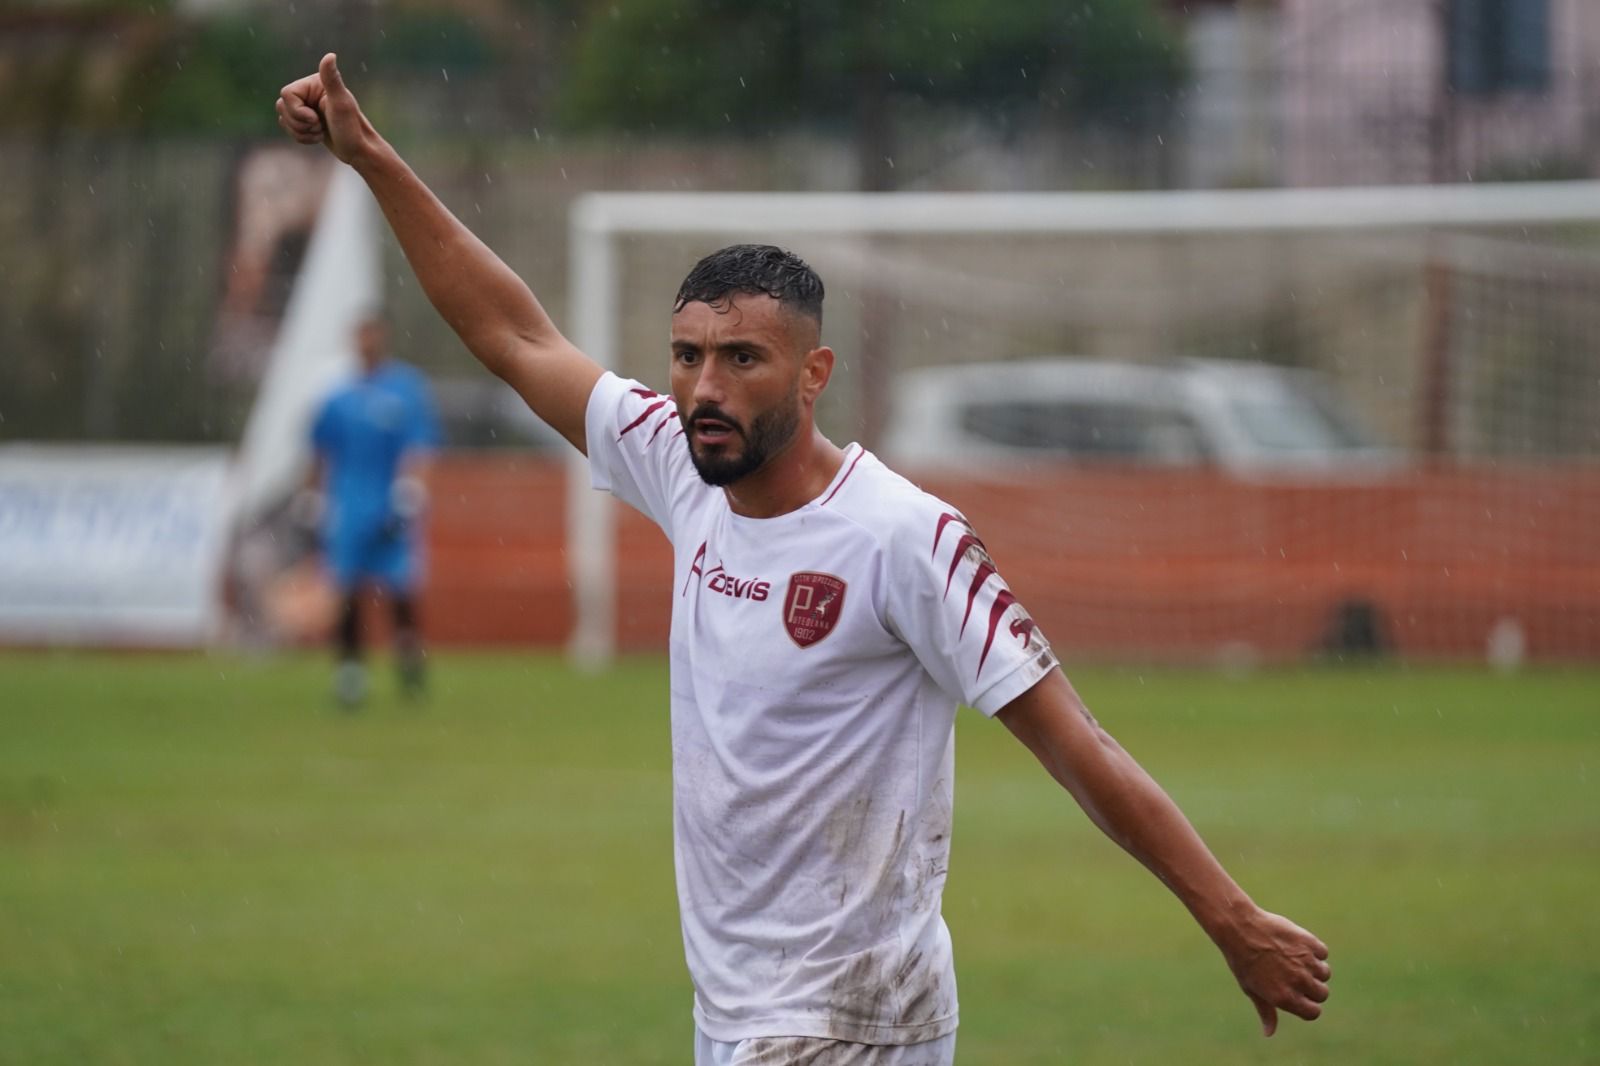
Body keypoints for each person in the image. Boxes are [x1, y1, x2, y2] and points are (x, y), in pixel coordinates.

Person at [278, 55, 1331, 1063]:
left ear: (812, 371)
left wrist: (1231, 918)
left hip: (847, 1011)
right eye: (688, 356)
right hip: (740, 1003)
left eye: (742, 360)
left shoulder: (902, 537)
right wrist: (371, 156)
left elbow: (1075, 742)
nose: (704, 388)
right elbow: (515, 336)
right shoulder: (680, 467)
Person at [301, 311, 441, 707]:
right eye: (361, 336)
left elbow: (421, 448)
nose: (367, 343)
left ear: (384, 338)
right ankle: (351, 676)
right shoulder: (337, 398)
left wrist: (410, 493)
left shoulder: (406, 390)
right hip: (348, 507)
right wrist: (311, 499)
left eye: (373, 335)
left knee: (401, 592)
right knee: (346, 592)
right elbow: (319, 451)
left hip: (390, 504)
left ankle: (410, 668)